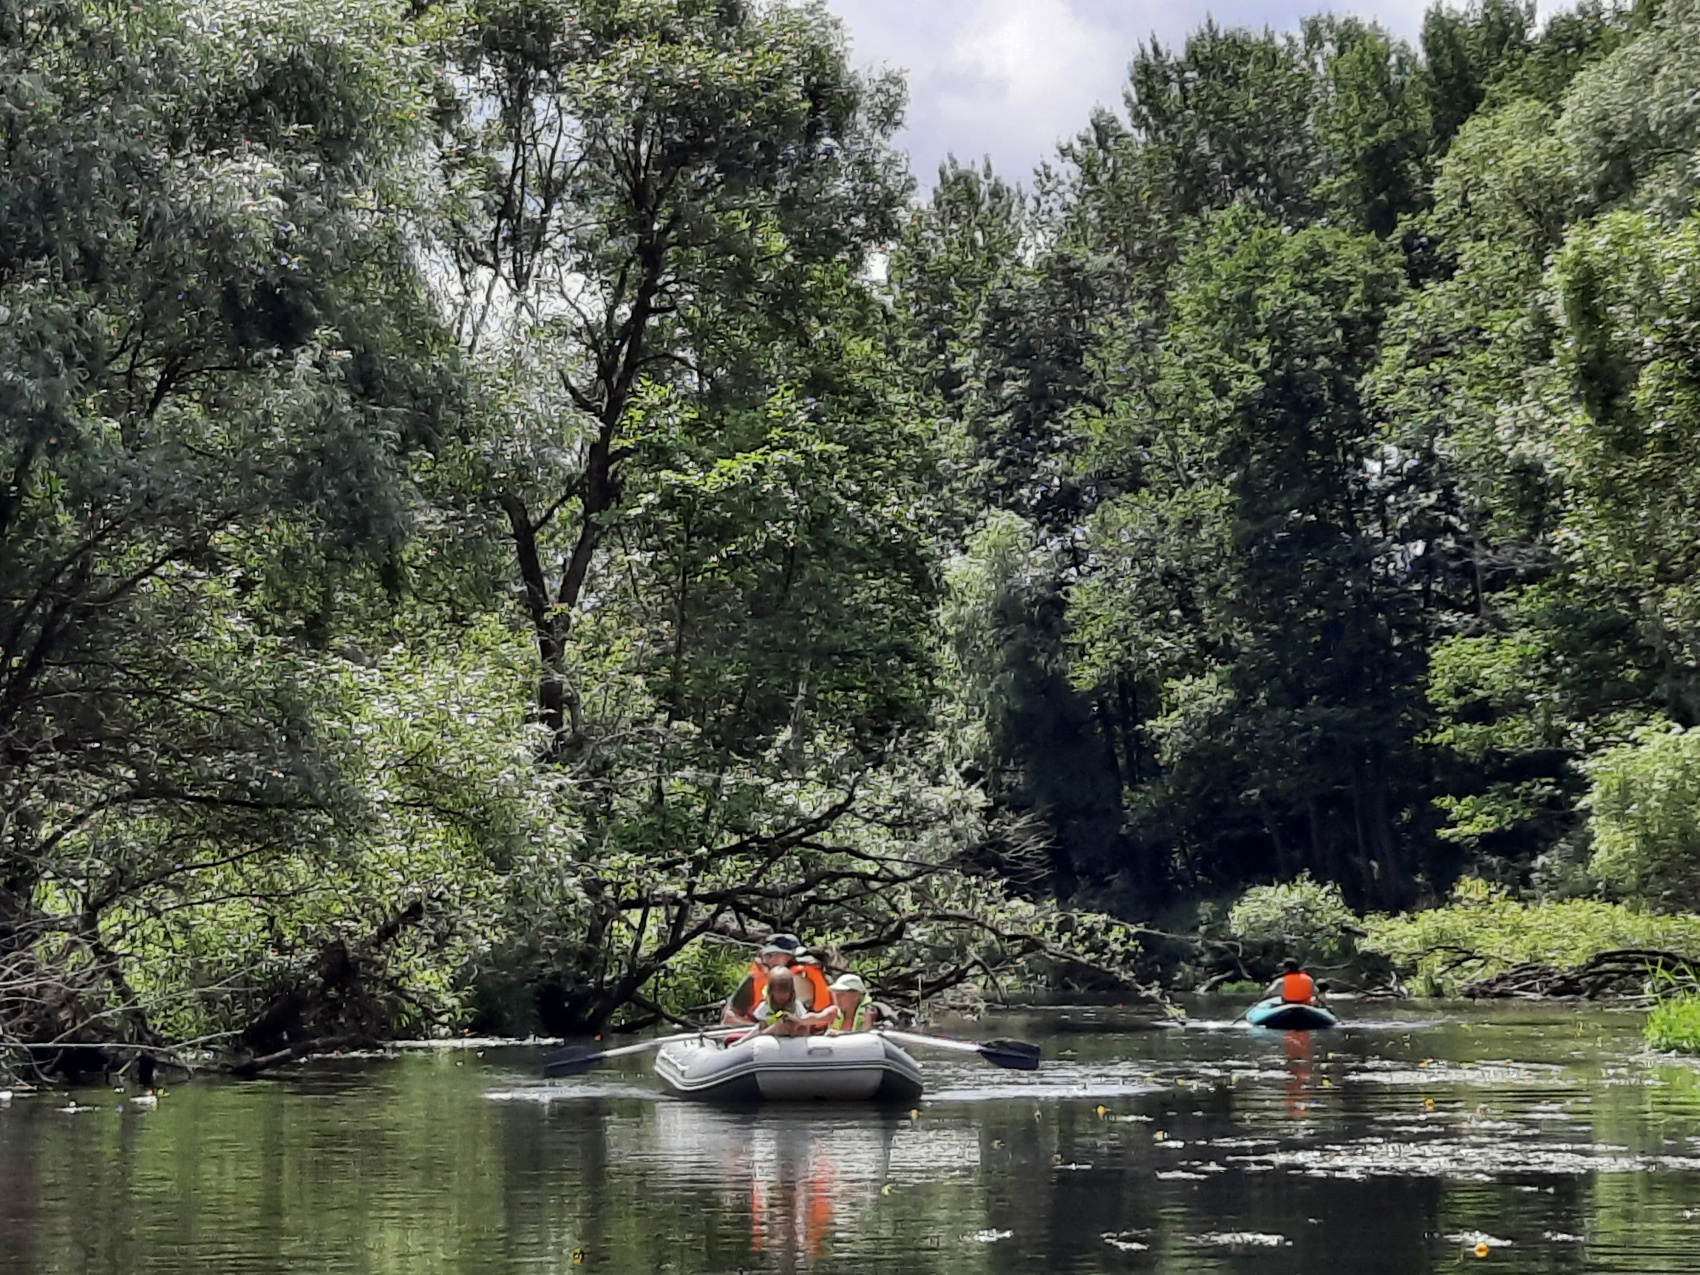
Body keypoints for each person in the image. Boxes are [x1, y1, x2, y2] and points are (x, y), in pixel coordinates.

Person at [722, 935, 804, 1026]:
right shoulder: (755, 979)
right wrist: (760, 1027)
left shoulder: (802, 976)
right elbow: (729, 1018)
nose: (794, 961)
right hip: (757, 1032)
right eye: (768, 955)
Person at [813, 972, 880, 1034]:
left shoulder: (868, 1013)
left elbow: (866, 1040)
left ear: (857, 995)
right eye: (835, 993)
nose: (837, 997)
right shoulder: (834, 1012)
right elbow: (816, 1017)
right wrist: (802, 1021)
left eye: (842, 994)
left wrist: (839, 1035)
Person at [752, 969, 813, 1036]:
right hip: (771, 1042)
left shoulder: (797, 1006)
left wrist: (794, 1026)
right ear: (771, 991)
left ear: (791, 992)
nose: (782, 995)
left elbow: (806, 1030)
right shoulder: (764, 1007)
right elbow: (761, 1034)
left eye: (785, 991)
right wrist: (777, 1028)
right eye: (778, 991)